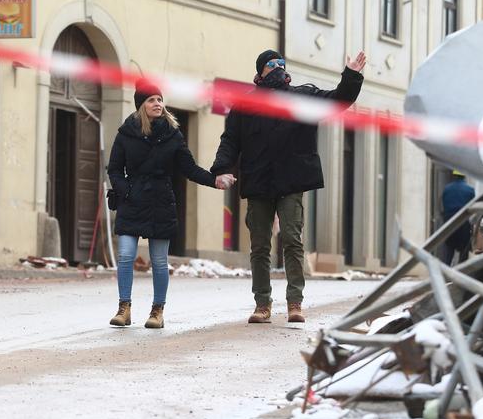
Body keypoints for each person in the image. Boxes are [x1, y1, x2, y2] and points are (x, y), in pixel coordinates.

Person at [211, 49, 366, 323]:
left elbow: (337, 100)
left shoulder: (302, 96)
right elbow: (230, 141)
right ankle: (262, 304)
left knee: (292, 240)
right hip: (258, 182)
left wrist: (351, 76)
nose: (278, 67)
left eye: (281, 63)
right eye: (272, 64)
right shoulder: (244, 105)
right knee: (259, 245)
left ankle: (295, 302)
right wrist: (222, 169)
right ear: (260, 72)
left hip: (290, 181)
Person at [107, 79, 235, 329]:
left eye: (159, 99)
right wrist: (126, 190)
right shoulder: (126, 133)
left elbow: (189, 168)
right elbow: (113, 169)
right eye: (151, 100)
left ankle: (157, 311)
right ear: (141, 106)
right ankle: (124, 308)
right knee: (125, 256)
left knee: (159, 260)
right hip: (132, 202)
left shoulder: (172, 135)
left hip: (160, 202)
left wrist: (215, 180)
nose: (157, 103)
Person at [441, 170, 476, 266]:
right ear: (464, 176)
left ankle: (445, 273)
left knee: (448, 251)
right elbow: (473, 207)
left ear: (454, 176)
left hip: (449, 223)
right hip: (463, 224)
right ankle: (461, 273)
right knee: (464, 251)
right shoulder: (470, 190)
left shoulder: (447, 189)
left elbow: (444, 206)